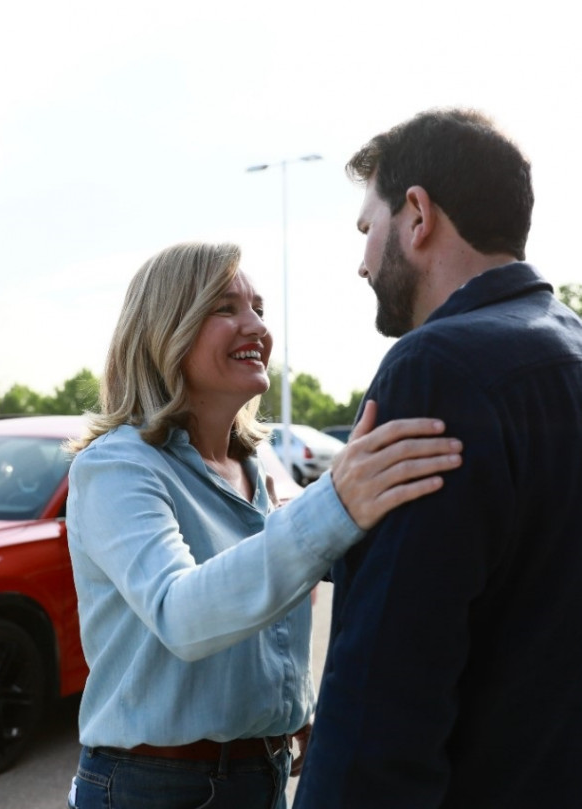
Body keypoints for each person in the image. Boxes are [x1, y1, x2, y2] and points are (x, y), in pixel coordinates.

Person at [64, 241, 463, 809]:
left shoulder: (257, 467)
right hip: (153, 787)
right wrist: (335, 503)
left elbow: (263, 603)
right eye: (226, 308)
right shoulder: (116, 467)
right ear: (164, 330)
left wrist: (282, 711)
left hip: (262, 773)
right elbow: (185, 616)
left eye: (258, 308)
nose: (256, 327)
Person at [293, 108, 582, 809]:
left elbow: (385, 693)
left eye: (368, 229)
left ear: (416, 215)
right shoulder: (568, 347)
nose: (362, 261)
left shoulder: (438, 367)